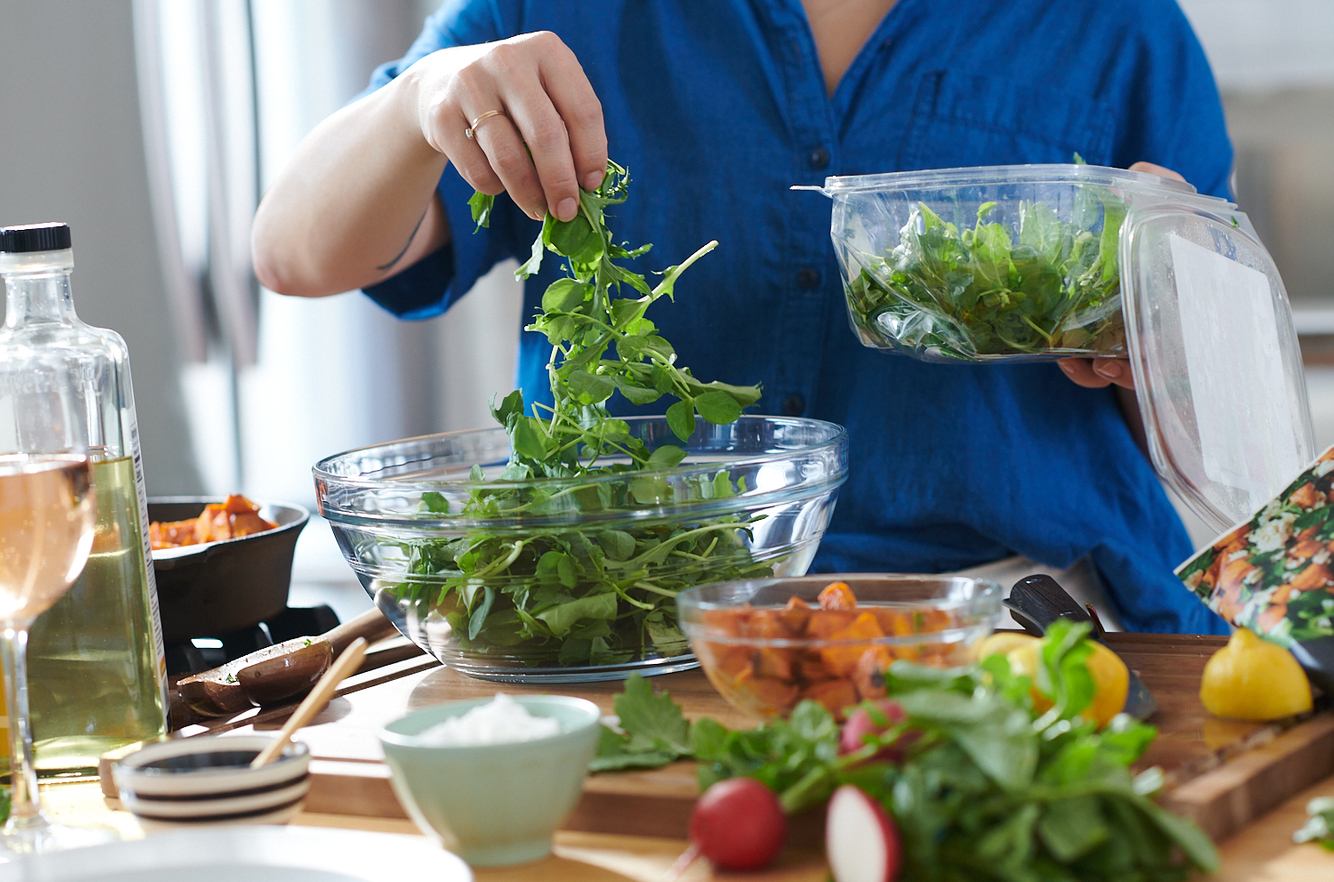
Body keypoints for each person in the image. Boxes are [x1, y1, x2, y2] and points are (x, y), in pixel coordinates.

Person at [252, 0, 1233, 634]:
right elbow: (294, 251)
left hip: (1021, 625)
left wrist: (1160, 340)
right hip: (636, 624)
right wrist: (421, 97)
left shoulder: (1115, 27)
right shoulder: (554, 12)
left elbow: (1210, 422)